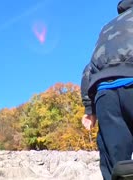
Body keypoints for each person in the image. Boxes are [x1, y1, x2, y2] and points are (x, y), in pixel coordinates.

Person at [81, 0, 133, 179]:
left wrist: (89, 109)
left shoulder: (108, 27)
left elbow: (88, 68)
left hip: (104, 95)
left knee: (115, 165)